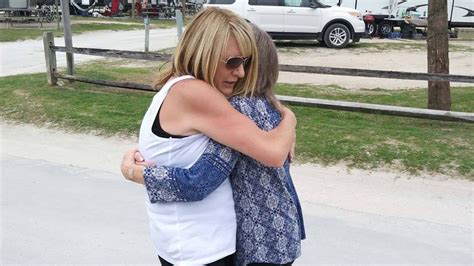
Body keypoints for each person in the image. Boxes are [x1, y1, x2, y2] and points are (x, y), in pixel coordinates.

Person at [124, 8, 296, 266]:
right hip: (202, 249)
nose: (240, 73)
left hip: (190, 244)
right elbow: (272, 154)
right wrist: (291, 118)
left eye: (245, 63)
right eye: (233, 62)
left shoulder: (176, 84)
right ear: (205, 53)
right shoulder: (195, 92)